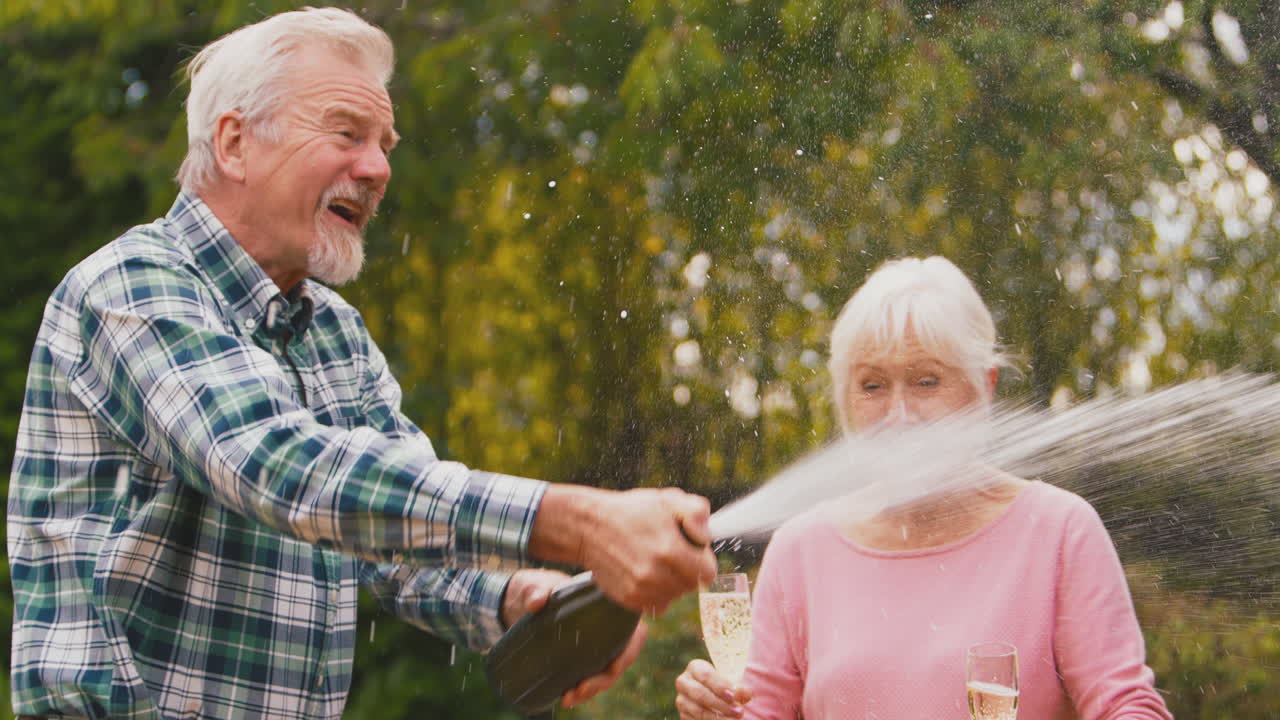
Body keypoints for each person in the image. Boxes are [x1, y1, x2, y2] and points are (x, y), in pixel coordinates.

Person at [7, 8, 717, 720]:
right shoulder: (132, 287)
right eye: (346, 133)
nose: (377, 168)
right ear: (234, 143)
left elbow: (400, 550)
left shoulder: (334, 332)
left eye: (384, 143)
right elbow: (278, 466)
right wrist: (579, 520)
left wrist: (516, 598)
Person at [675, 256, 1173, 719]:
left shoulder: (1061, 531)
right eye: (872, 385)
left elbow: (1126, 704)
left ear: (986, 387)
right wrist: (718, 711)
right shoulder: (800, 550)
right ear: (844, 399)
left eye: (926, 381)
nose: (899, 414)